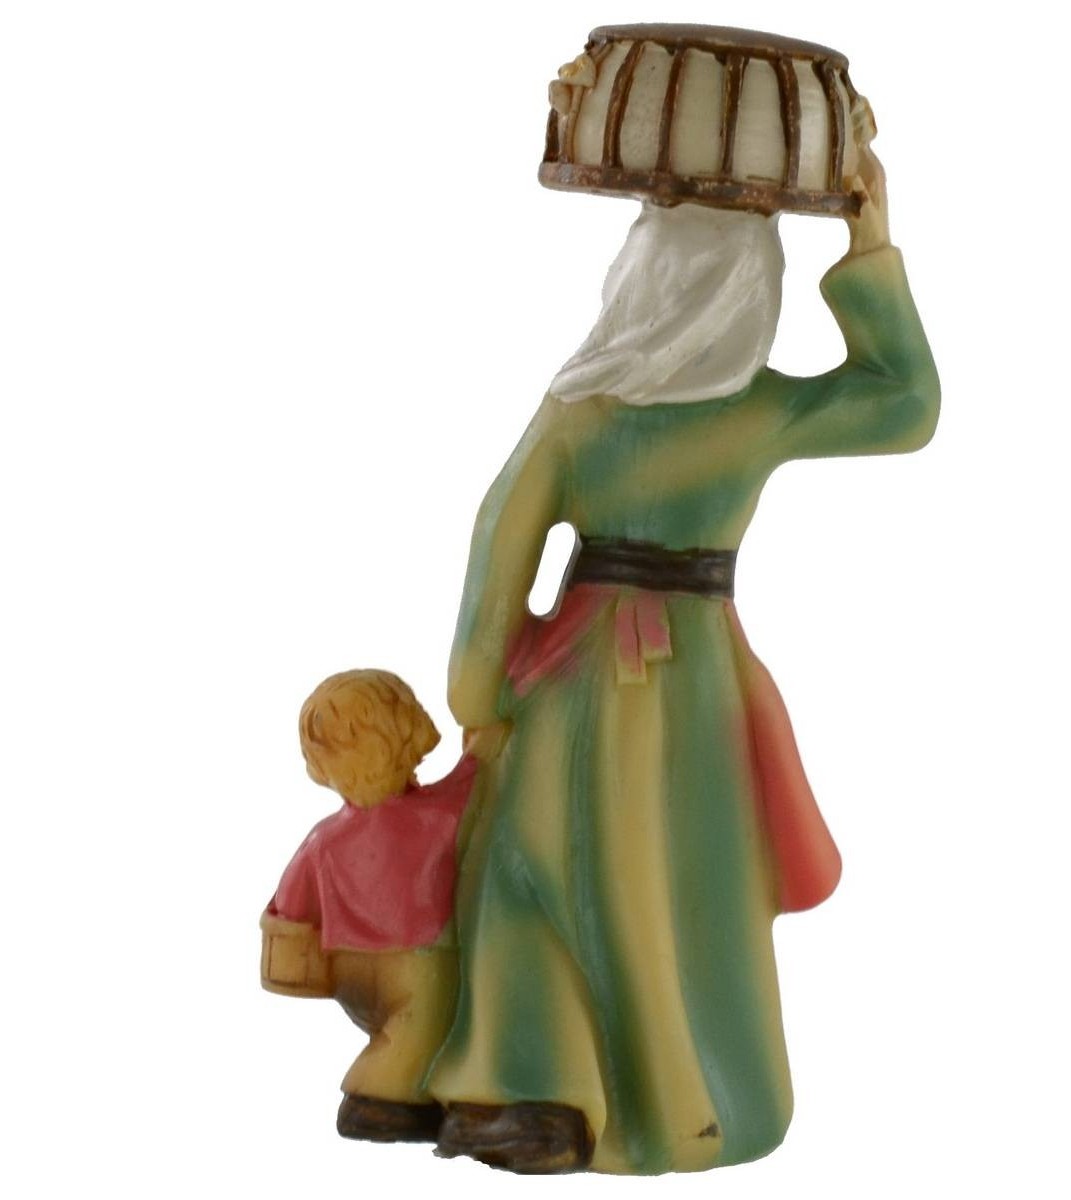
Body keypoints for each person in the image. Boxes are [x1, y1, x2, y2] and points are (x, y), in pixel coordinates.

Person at [427, 146, 939, 1173]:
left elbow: (500, 539)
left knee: (540, 867)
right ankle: (682, 1095)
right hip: (697, 678)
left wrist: (477, 689)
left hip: (578, 679)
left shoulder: (581, 411)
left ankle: (536, 1085)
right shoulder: (757, 412)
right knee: (690, 882)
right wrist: (868, 241)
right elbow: (903, 402)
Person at [260, 668, 476, 1143]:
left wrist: (288, 929)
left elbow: (289, 906)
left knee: (416, 1027)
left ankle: (407, 1091)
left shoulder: (323, 840)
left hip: (354, 972)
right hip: (421, 964)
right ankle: (380, 1097)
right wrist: (481, 746)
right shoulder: (438, 816)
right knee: (418, 1025)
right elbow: (474, 781)